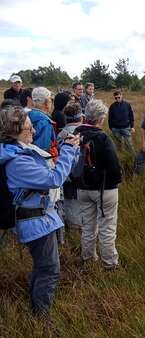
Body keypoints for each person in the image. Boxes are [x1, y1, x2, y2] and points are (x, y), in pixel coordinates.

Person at [0, 106, 80, 318]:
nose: (34, 132)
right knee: (50, 270)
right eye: (28, 129)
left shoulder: (20, 152)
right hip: (36, 223)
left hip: (42, 218)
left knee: (43, 267)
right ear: (14, 131)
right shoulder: (18, 161)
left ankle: (37, 308)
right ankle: (41, 317)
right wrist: (69, 151)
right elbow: (54, 179)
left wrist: (69, 150)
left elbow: (52, 172)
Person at [74, 100, 122, 270]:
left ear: (86, 116)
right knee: (107, 227)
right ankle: (110, 264)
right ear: (101, 118)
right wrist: (116, 181)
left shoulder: (75, 135)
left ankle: (88, 259)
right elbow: (114, 168)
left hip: (81, 188)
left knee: (87, 226)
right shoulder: (103, 138)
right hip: (104, 190)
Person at [57, 103, 84, 230]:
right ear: (81, 118)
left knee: (70, 209)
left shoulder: (60, 134)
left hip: (64, 179)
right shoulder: (82, 134)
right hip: (80, 180)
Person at [29, 87, 58, 158]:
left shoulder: (28, 115)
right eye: (51, 100)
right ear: (46, 102)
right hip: (40, 163)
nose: (52, 103)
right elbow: (43, 149)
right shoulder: (44, 121)